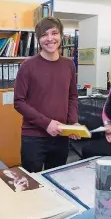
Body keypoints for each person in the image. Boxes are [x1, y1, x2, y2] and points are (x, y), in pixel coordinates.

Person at [14, 17, 80, 173]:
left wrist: (73, 122)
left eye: (54, 33)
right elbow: (19, 102)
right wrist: (46, 123)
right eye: (44, 35)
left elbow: (72, 96)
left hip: (61, 135)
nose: (50, 39)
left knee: (57, 181)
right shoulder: (27, 66)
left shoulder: (69, 64)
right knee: (31, 184)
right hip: (34, 137)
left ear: (61, 36)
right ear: (38, 39)